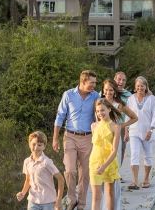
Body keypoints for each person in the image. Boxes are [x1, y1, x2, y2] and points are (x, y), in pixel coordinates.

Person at [53, 70, 100, 210]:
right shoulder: (68, 95)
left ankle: (81, 204)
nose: (94, 85)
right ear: (83, 81)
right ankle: (72, 199)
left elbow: (106, 104)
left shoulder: (96, 95)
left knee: (85, 173)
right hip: (70, 136)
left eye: (95, 83)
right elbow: (60, 115)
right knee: (70, 170)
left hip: (88, 138)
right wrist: (55, 138)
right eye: (92, 83)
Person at [100, 78, 138, 210]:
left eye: (110, 90)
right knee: (102, 174)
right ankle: (106, 204)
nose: (108, 92)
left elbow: (134, 117)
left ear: (115, 91)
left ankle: (114, 205)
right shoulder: (99, 103)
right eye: (106, 90)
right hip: (101, 143)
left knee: (113, 174)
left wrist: (122, 126)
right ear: (103, 90)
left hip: (114, 141)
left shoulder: (119, 104)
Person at [124, 76, 155, 190]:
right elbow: (127, 116)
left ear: (146, 86)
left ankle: (146, 178)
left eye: (142, 86)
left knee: (147, 155)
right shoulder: (131, 99)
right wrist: (126, 131)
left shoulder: (152, 99)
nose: (140, 88)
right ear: (135, 87)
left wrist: (151, 130)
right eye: (138, 86)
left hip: (147, 131)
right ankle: (134, 181)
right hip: (134, 130)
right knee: (134, 154)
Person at [17, 131, 65, 210]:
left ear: (44, 146)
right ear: (29, 144)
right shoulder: (27, 162)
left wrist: (59, 200)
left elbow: (61, 179)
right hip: (33, 200)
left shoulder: (47, 162)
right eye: (34, 144)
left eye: (39, 145)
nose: (36, 148)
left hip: (48, 201)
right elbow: (28, 180)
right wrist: (23, 193)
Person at [89, 98, 121, 210]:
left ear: (109, 109)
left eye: (102, 110)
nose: (100, 113)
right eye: (97, 111)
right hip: (94, 162)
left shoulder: (116, 127)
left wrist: (104, 165)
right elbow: (95, 147)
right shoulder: (94, 126)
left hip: (109, 163)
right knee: (96, 196)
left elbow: (114, 150)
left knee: (110, 193)